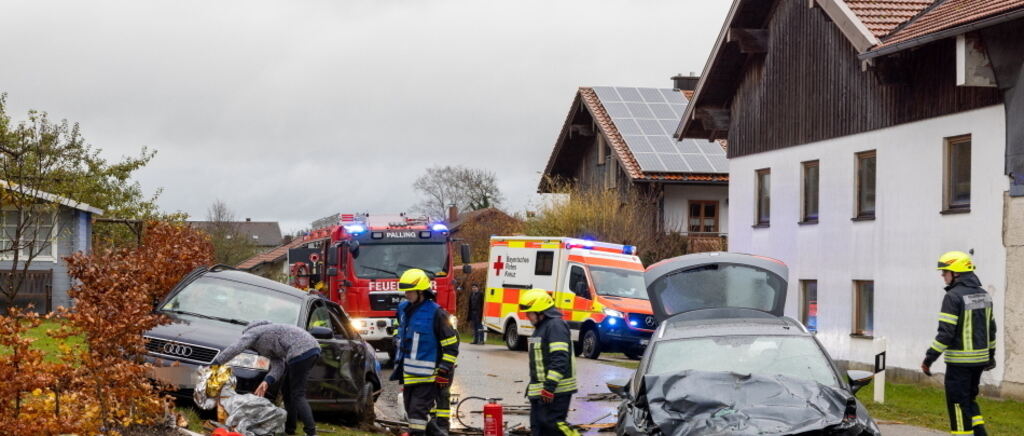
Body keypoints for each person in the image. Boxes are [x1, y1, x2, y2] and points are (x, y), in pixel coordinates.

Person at [921, 251, 997, 436]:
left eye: (945, 271)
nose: (942, 275)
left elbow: (945, 334)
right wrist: (991, 357)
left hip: (959, 365)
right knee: (969, 401)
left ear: (956, 273)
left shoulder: (953, 297)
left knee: (957, 406)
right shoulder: (984, 295)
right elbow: (991, 330)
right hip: (979, 362)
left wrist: (929, 359)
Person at [212, 320, 321, 436]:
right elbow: (279, 365)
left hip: (301, 350)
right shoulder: (268, 338)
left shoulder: (254, 332)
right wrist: (267, 381)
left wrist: (216, 363)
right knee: (287, 391)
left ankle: (311, 432)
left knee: (298, 394)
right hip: (311, 350)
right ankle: (290, 429)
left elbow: (236, 348)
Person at [392, 269, 460, 436]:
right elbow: (398, 330)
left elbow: (451, 344)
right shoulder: (403, 309)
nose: (406, 295)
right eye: (405, 291)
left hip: (428, 376)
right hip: (409, 375)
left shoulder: (436, 313)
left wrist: (444, 369)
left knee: (417, 415)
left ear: (421, 291)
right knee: (412, 411)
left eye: (409, 291)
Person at [519, 289, 579, 436]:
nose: (528, 317)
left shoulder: (555, 326)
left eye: (530, 313)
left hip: (555, 391)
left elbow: (559, 358)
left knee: (554, 425)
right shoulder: (541, 328)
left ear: (541, 311)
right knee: (538, 429)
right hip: (542, 392)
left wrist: (549, 387)